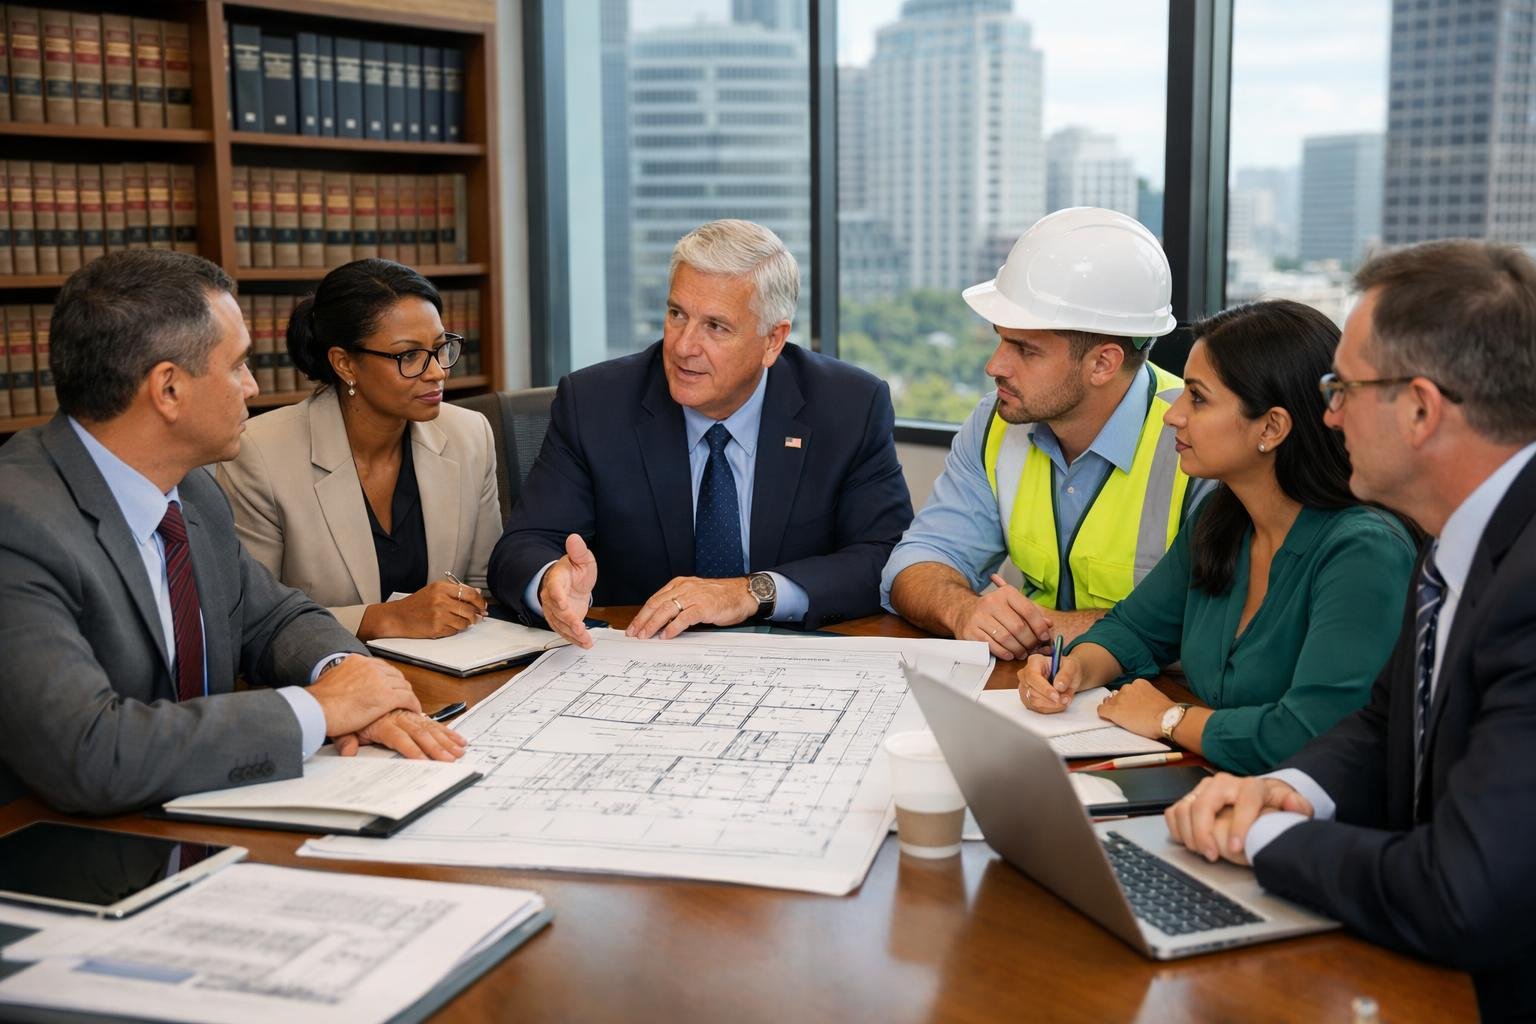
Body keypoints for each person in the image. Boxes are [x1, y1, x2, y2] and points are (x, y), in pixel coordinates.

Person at [1164, 241, 1536, 1020]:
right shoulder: (1461, 538)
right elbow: (1383, 720)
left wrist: (1259, 840)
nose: (1326, 414)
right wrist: (1283, 790)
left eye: (1343, 388)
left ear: (1421, 409)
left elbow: (1462, 889)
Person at [0, 251, 465, 817]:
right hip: (60, 848)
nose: (251, 387)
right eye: (238, 365)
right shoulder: (18, 524)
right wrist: (318, 711)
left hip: (200, 811)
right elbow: (91, 751)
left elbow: (275, 619)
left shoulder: (191, 490)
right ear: (168, 389)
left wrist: (355, 680)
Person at [1016, 300, 1416, 774]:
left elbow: (1310, 733)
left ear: (1272, 426)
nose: (1173, 415)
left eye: (1198, 398)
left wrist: (1168, 718)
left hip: (1305, 819)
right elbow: (1134, 630)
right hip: (1213, 785)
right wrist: (1074, 670)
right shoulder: (1220, 517)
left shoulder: (1362, 552)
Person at [488, 219, 913, 643]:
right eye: (677, 314)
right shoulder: (596, 403)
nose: (683, 346)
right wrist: (549, 582)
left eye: (716, 327)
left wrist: (751, 592)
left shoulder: (849, 407)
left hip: (794, 661)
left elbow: (884, 556)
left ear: (773, 340)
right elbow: (523, 546)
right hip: (639, 658)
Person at [883, 207, 1215, 661]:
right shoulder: (995, 423)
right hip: (1035, 689)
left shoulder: (1200, 436)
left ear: (1103, 363)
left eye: (1025, 349)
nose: (994, 366)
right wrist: (964, 611)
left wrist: (1053, 627)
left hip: (1157, 701)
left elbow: (1215, 622)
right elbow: (917, 561)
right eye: (1000, 339)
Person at [217, 259, 499, 640]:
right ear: (345, 363)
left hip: (451, 674)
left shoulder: (470, 435)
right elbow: (252, 617)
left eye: (440, 348)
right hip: (329, 677)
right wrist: (384, 619)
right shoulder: (261, 454)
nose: (438, 372)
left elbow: (485, 585)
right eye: (409, 356)